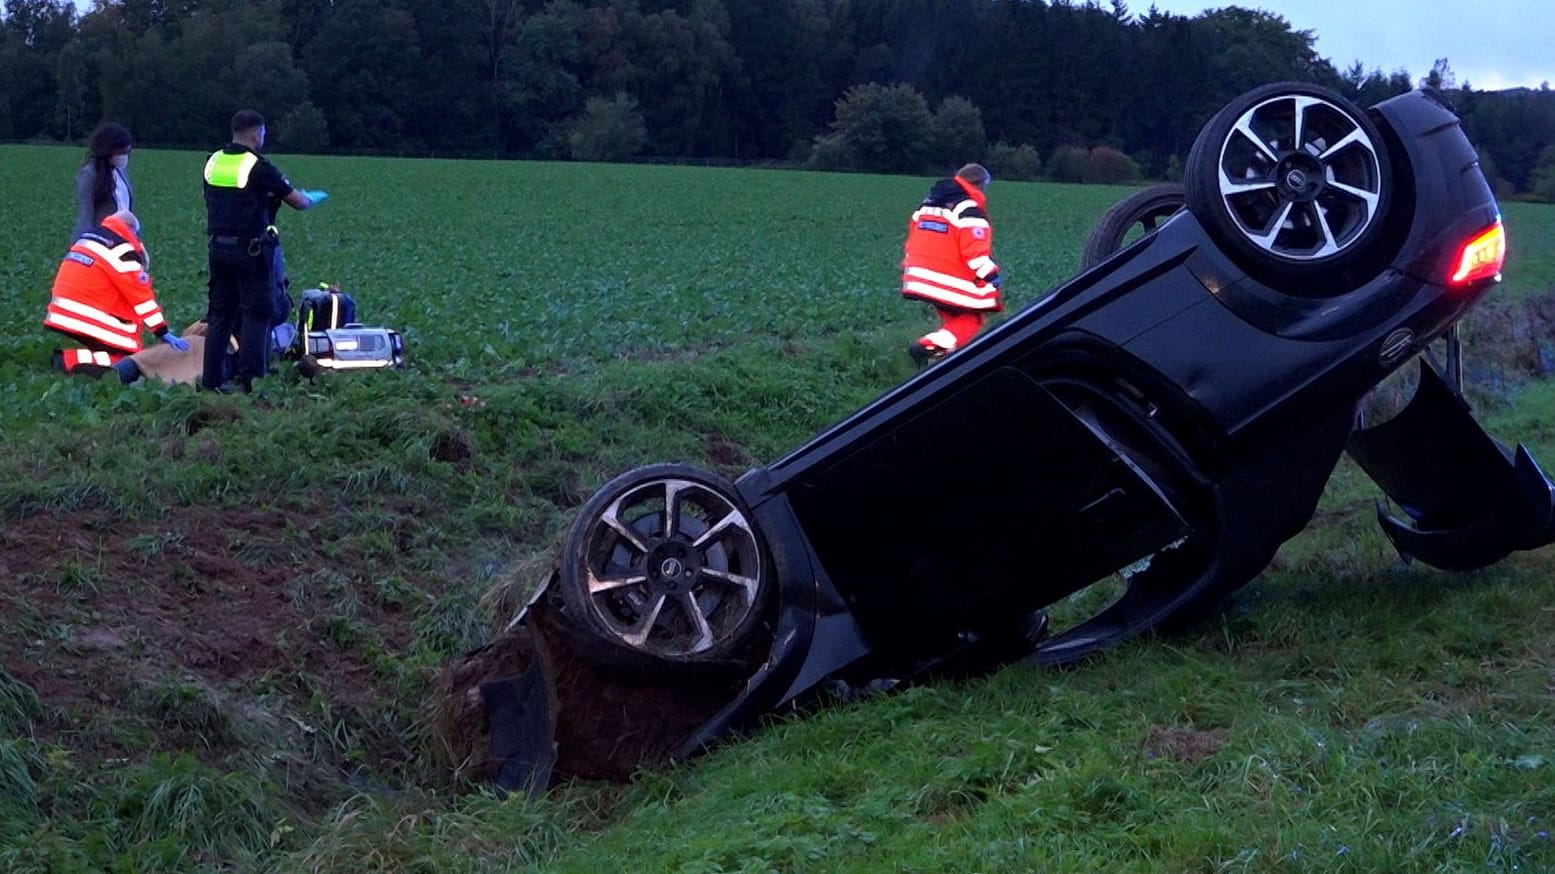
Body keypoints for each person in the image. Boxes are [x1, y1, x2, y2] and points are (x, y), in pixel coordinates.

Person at [201, 109, 329, 393]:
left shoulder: (213, 162)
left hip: (218, 249)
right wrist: (310, 198)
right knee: (257, 315)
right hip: (251, 251)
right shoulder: (258, 166)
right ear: (255, 133)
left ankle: (211, 382)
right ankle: (252, 383)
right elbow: (298, 202)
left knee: (220, 316)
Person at [43, 209, 190, 383]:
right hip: (85, 315)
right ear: (131, 229)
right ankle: (70, 360)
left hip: (62, 310)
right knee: (129, 358)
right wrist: (162, 331)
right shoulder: (123, 251)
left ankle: (72, 360)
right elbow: (141, 299)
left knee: (112, 350)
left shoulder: (90, 238)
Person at [900, 162, 1003, 364]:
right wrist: (993, 279)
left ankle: (943, 359)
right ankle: (926, 347)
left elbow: (912, 239)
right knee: (971, 320)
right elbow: (975, 256)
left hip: (917, 276)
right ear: (980, 185)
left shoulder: (926, 205)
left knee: (954, 322)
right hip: (947, 279)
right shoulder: (969, 211)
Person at [72, 122, 135, 244]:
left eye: (127, 152)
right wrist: (84, 244)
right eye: (121, 152)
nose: (124, 156)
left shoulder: (121, 171)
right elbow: (86, 214)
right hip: (103, 241)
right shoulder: (90, 174)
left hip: (126, 239)